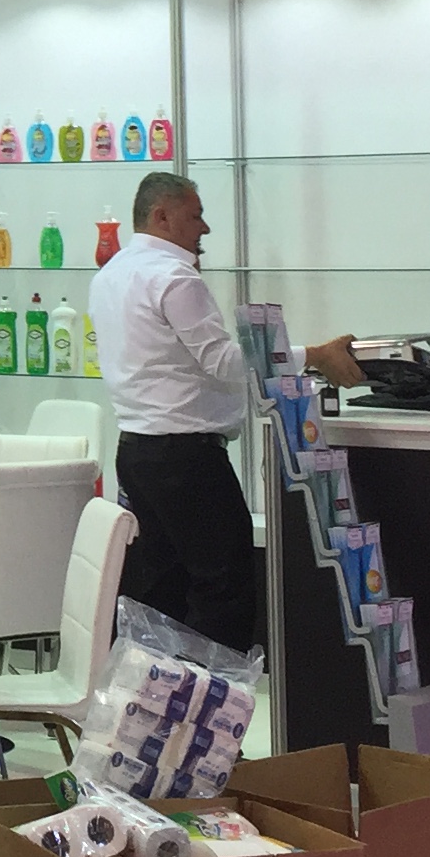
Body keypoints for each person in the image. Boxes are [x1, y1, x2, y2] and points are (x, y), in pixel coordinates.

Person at [87, 171, 358, 654]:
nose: (205, 228)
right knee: (223, 587)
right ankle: (213, 693)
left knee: (161, 588)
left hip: (137, 451)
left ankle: (155, 689)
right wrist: (314, 355)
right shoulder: (174, 277)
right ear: (162, 216)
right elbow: (224, 361)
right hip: (186, 459)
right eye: (195, 216)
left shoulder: (111, 274)